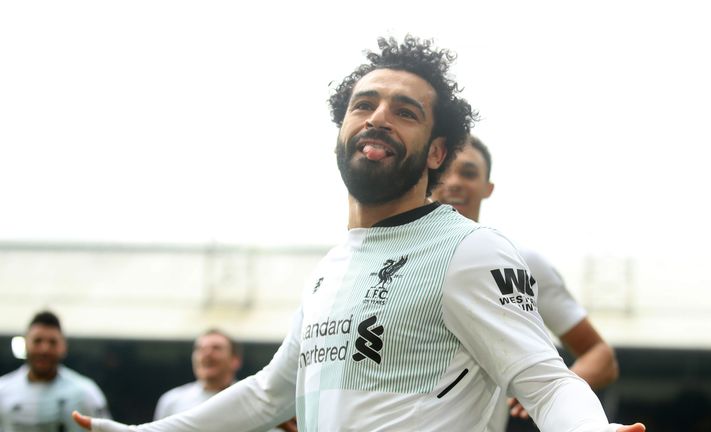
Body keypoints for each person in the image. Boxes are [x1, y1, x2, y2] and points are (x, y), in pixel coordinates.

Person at [72, 36, 645, 432]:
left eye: (405, 111)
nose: (378, 117)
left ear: (436, 152)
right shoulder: (329, 269)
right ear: (341, 131)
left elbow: (546, 381)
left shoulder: (469, 248)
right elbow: (270, 394)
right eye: (363, 104)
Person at [433, 135, 620, 431]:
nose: (454, 182)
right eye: (444, 172)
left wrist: (550, 394)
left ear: (488, 188)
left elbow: (601, 356)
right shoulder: (389, 260)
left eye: (468, 173)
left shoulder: (517, 260)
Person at [154, 329, 297, 432]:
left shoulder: (257, 401)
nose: (207, 354)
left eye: (216, 348)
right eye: (200, 349)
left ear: (235, 360)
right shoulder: (171, 401)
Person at [0, 310, 110, 431]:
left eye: (52, 342)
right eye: (37, 341)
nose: (44, 349)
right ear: (25, 344)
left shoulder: (85, 393)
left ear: (63, 347)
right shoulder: (3, 391)